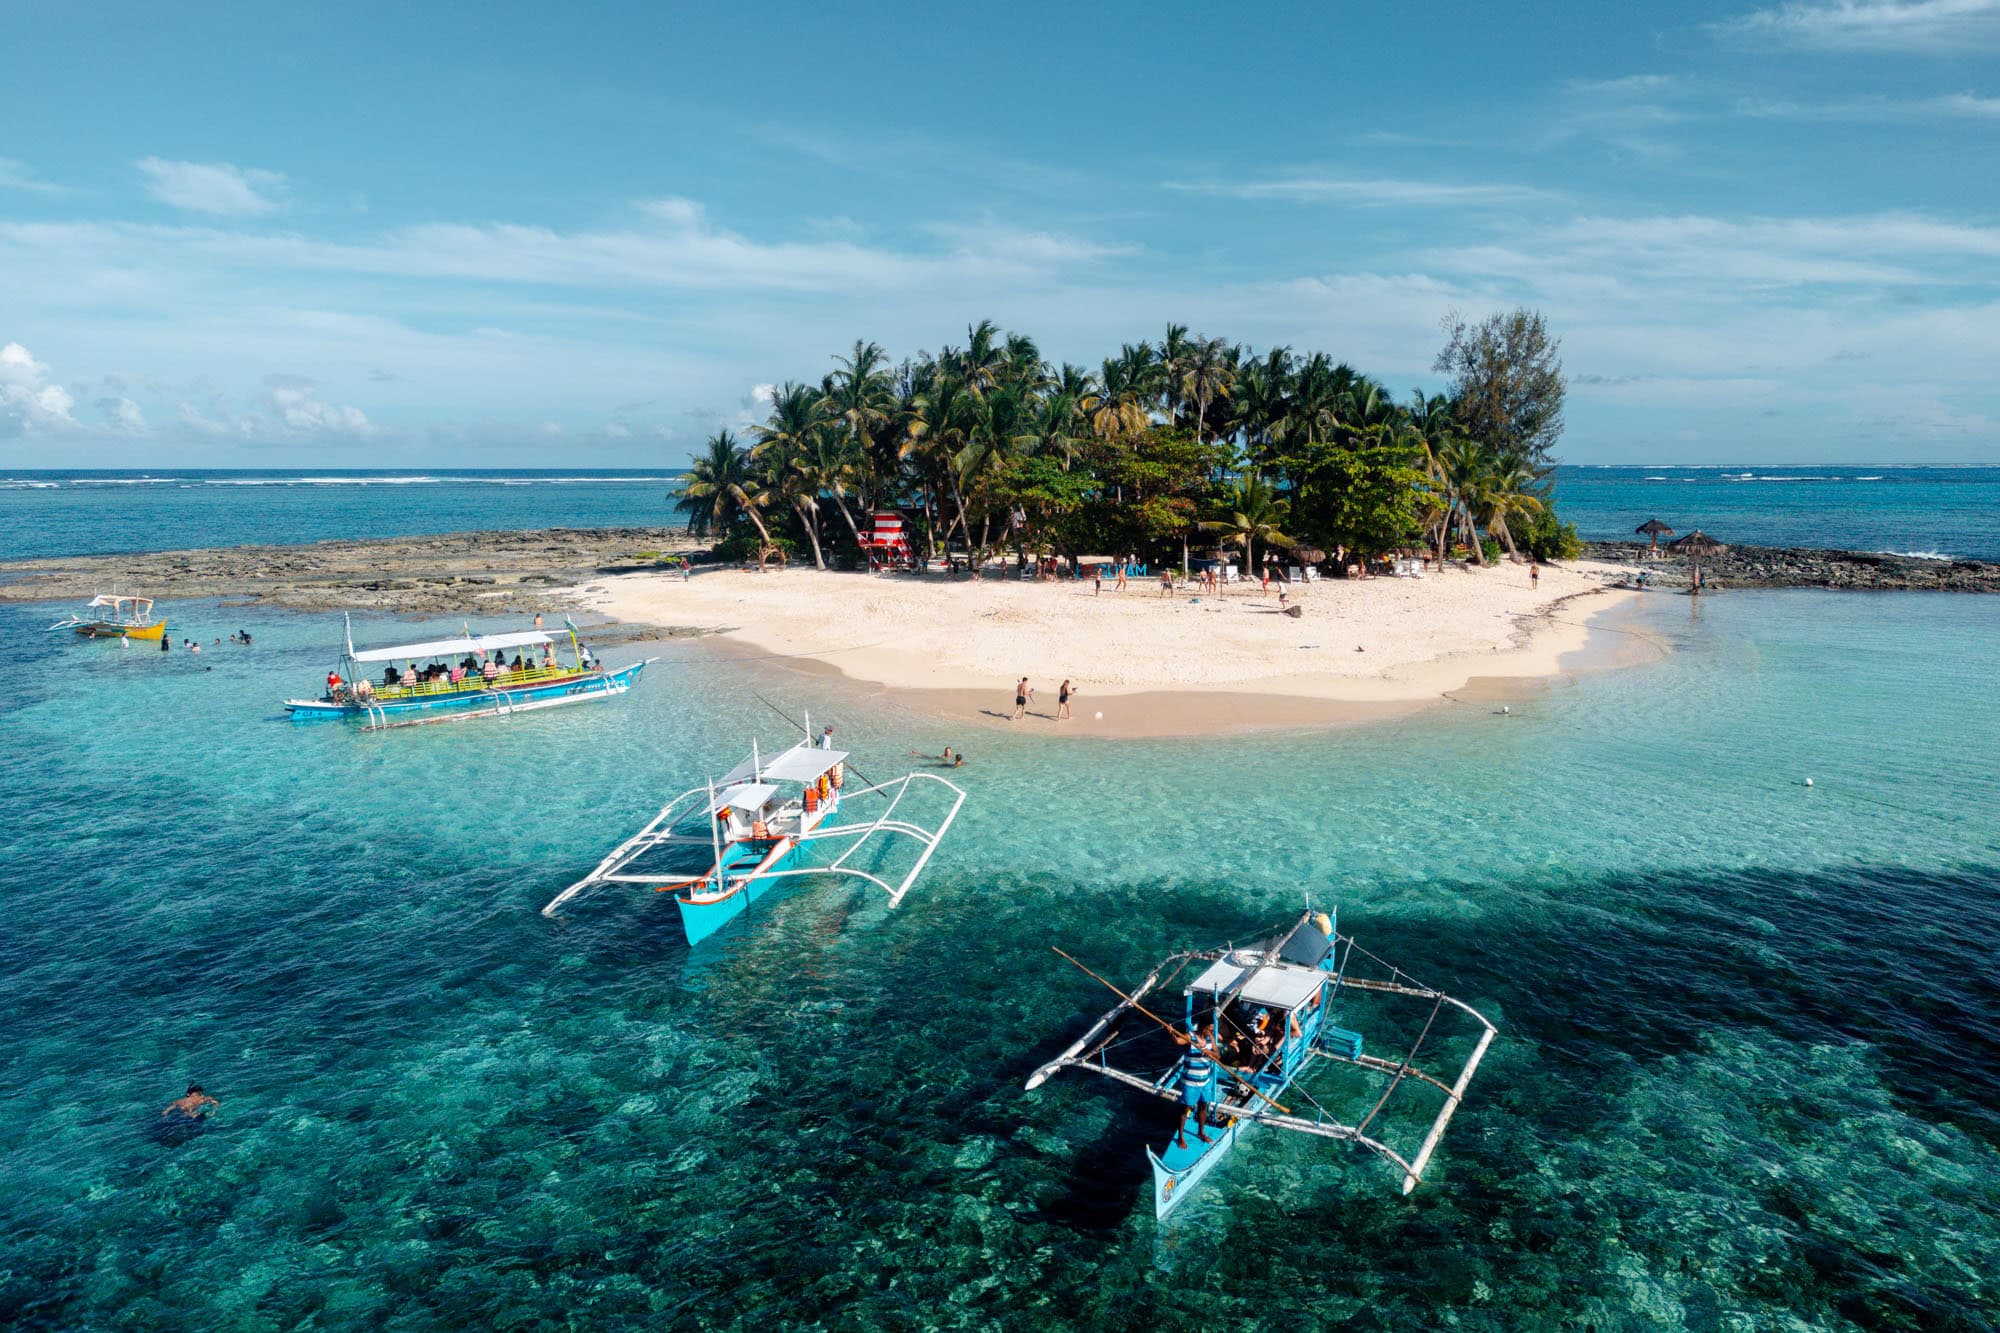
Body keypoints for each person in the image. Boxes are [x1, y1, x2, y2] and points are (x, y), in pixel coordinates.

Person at [1174, 1021, 1222, 1150]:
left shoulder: (1210, 1038)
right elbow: (1178, 1041)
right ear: (1202, 1027)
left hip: (1205, 1081)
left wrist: (1209, 1052)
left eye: (1212, 1030)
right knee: (1185, 1109)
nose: (1211, 1032)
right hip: (1190, 1082)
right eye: (1209, 1029)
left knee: (1203, 1106)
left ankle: (1201, 1132)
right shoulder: (1190, 1036)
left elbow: (1217, 1055)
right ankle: (1180, 1137)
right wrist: (1171, 1032)